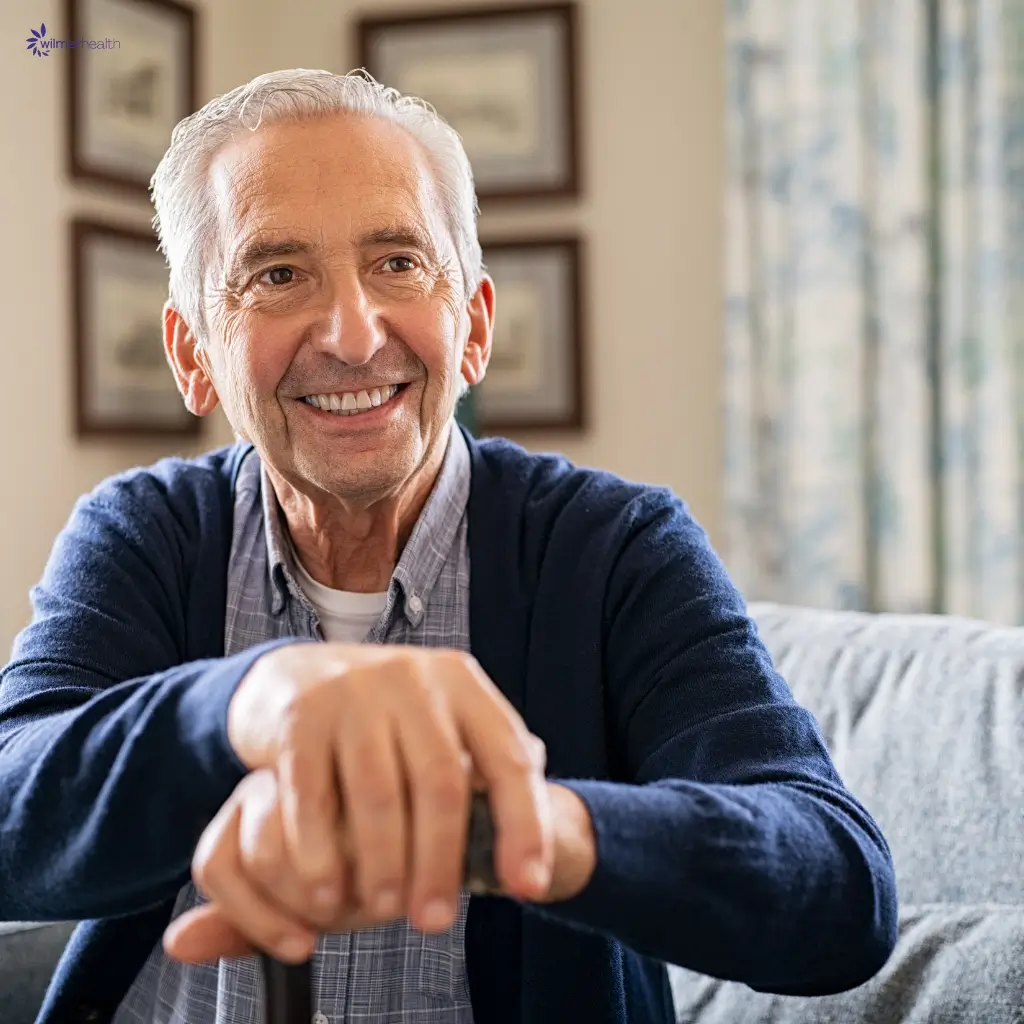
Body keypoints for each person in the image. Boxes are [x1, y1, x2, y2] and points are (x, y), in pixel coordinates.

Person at [0, 70, 897, 1024]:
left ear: (472, 328)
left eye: (397, 262)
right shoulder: (142, 531)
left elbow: (838, 890)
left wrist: (508, 828)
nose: (351, 335)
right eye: (277, 274)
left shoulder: (616, 548)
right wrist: (246, 702)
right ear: (193, 355)